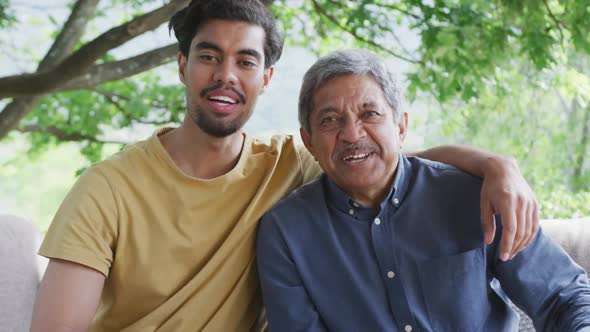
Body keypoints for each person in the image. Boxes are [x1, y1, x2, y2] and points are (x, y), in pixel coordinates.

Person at [31, 1, 538, 331]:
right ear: (183, 65)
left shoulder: (288, 163)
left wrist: (496, 166)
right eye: (209, 56)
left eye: (245, 61)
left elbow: (385, 159)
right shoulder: (105, 190)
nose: (226, 75)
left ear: (266, 78)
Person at [256, 49, 590, 332]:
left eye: (369, 113)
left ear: (400, 126)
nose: (351, 133)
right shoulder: (286, 233)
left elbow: (564, 298)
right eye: (330, 120)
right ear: (308, 140)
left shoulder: (473, 196)